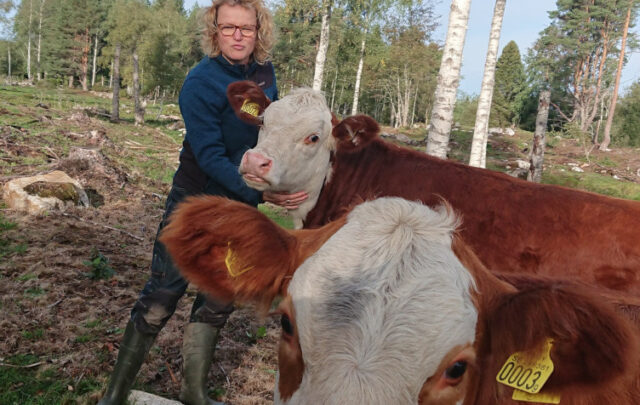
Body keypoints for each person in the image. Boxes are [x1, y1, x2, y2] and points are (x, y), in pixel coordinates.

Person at [98, 1, 307, 404]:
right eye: (228, 27)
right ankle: (114, 396)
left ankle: (193, 393)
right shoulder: (200, 82)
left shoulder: (265, 76)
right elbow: (210, 156)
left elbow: (267, 136)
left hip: (240, 211)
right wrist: (261, 192)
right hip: (194, 206)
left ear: (259, 31)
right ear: (214, 31)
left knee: (219, 298)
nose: (238, 35)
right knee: (161, 298)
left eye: (246, 28)